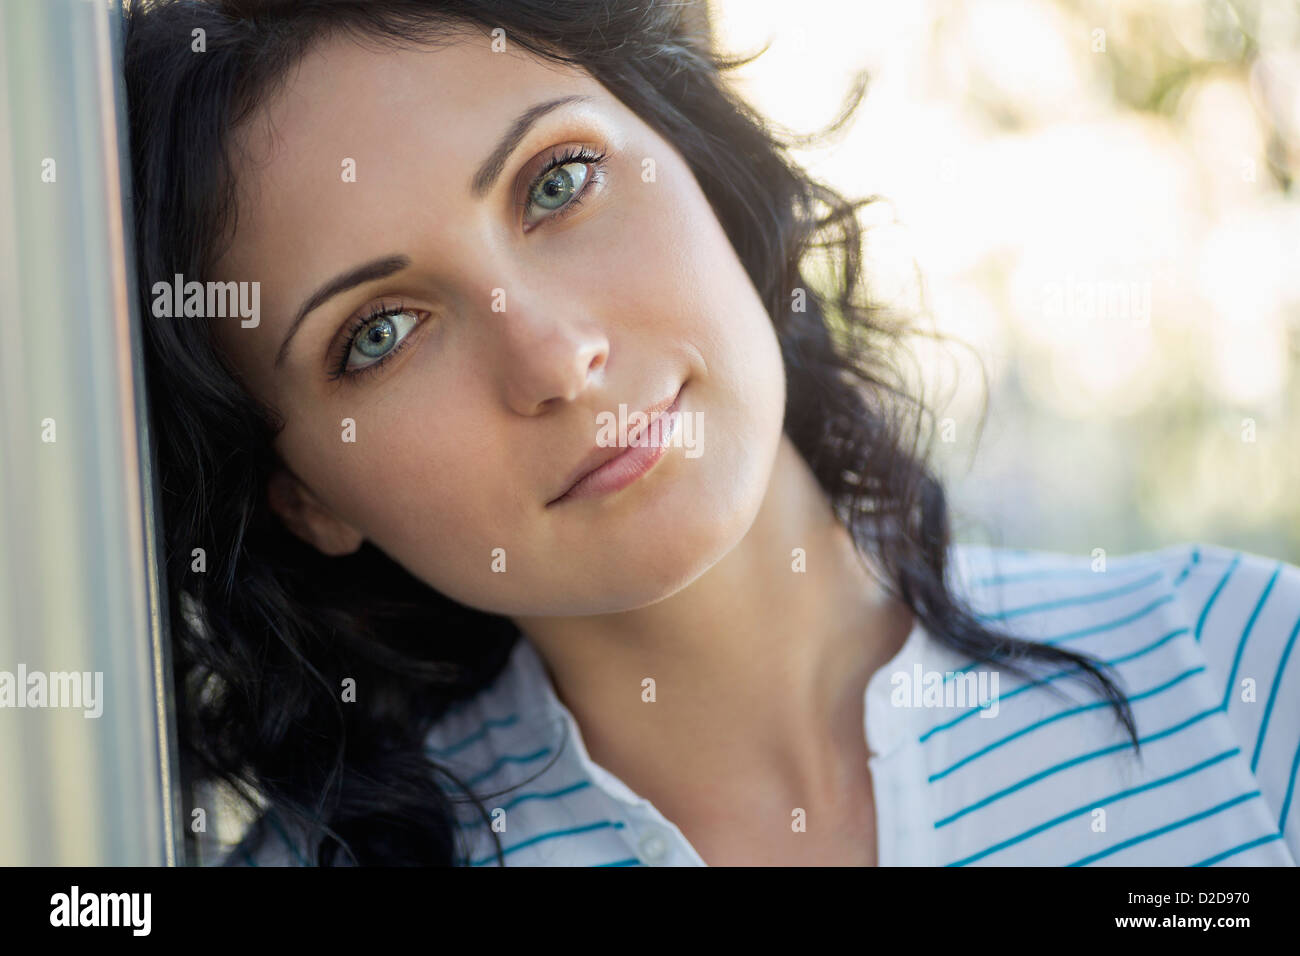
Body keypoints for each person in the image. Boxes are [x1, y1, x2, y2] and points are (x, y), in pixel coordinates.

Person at [121, 0, 1300, 867]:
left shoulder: (1247, 672)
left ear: (697, 158)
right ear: (304, 496)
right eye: (378, 333)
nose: (553, 357)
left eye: (556, 181)